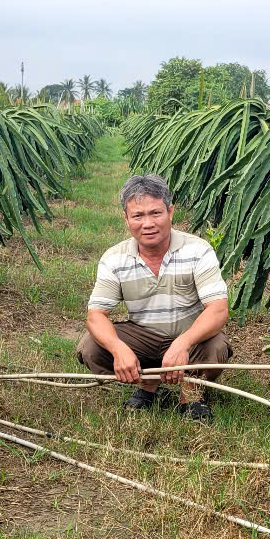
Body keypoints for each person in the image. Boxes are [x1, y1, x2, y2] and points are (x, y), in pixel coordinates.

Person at [76, 174, 232, 421]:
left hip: (189, 335)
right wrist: (118, 349)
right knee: (92, 347)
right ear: (126, 219)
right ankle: (148, 385)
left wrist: (183, 344)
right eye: (138, 216)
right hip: (143, 335)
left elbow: (218, 309)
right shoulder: (114, 258)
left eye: (155, 213)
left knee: (216, 346)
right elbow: (96, 316)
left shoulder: (198, 250)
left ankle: (191, 393)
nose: (147, 223)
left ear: (171, 212)